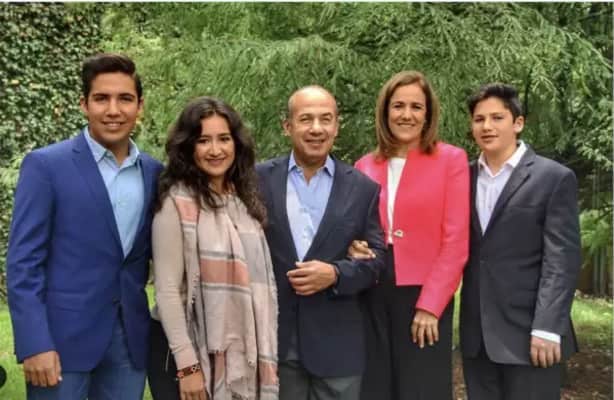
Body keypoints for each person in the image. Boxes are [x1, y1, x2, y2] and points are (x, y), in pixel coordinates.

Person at [6, 53, 163, 399]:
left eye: (125, 99)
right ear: (84, 104)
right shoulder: (46, 166)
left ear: (140, 106)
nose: (113, 110)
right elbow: (23, 263)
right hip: (60, 343)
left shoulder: (155, 173)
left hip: (129, 344)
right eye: (101, 98)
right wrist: (34, 342)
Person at [256, 86, 387, 400]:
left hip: (337, 346)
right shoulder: (257, 180)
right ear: (287, 126)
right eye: (306, 119)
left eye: (325, 119)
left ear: (336, 127)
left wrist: (336, 274)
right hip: (275, 342)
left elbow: (377, 260)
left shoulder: (362, 188)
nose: (316, 128)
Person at [148, 96, 279, 400]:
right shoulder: (175, 203)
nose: (216, 150)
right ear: (187, 147)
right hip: (185, 354)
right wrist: (188, 366)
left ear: (237, 143)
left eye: (224, 138)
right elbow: (167, 292)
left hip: (242, 356)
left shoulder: (243, 202)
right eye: (203, 140)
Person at [351, 70, 470, 400]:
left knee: (422, 388)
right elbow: (354, 229)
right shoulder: (364, 165)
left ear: (428, 114)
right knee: (374, 388)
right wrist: (353, 247)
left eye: (416, 107)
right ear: (385, 111)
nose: (407, 114)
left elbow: (456, 241)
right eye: (398, 106)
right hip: (372, 290)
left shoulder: (451, 160)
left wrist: (431, 305)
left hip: (424, 293)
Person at [459, 83, 581, 400]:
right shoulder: (462, 177)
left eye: (497, 117)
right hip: (477, 338)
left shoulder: (553, 178)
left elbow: (561, 260)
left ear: (518, 123)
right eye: (479, 119)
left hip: (530, 335)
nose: (487, 126)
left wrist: (547, 327)